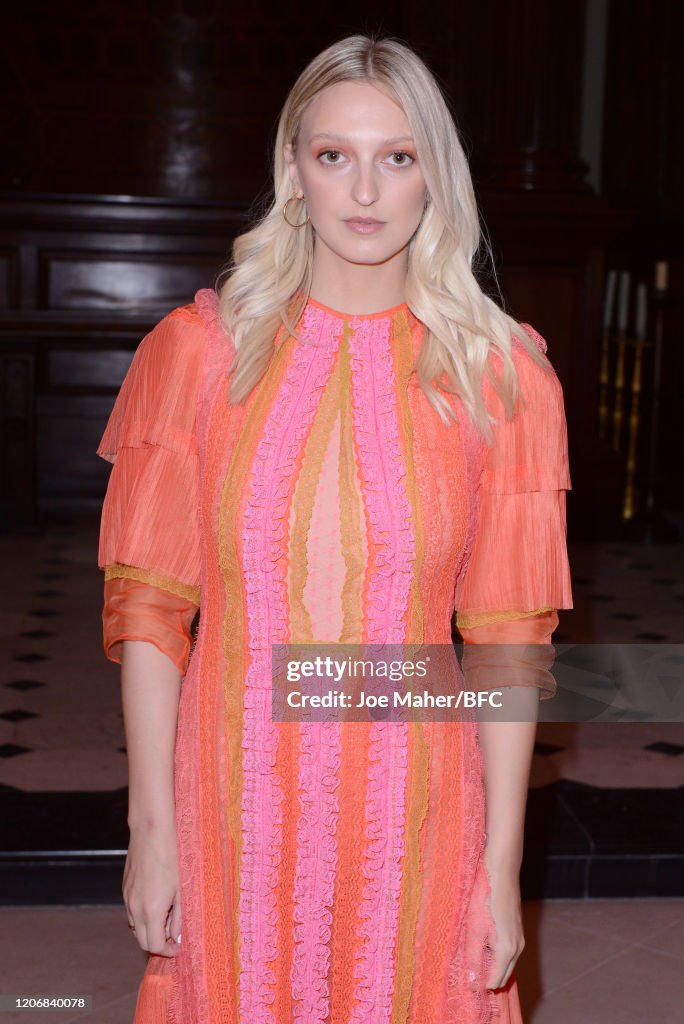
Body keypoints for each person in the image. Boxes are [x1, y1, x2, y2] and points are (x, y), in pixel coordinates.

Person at [96, 33, 572, 1024]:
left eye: (398, 157)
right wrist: (152, 828)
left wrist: (501, 860)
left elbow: (510, 646)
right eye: (333, 154)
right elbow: (151, 611)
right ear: (291, 170)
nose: (365, 189)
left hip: (418, 809)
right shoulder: (194, 358)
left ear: (432, 177)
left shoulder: (504, 380)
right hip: (227, 797)